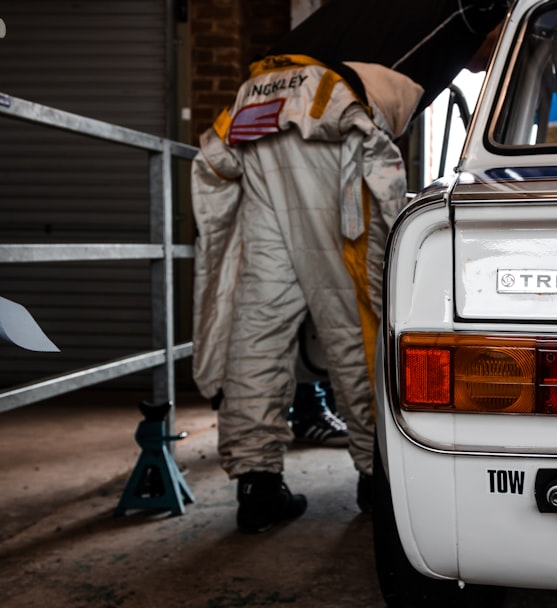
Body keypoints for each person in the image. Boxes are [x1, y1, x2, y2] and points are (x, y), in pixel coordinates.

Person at [191, 0, 509, 533]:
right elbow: (498, 48)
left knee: (261, 316)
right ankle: (378, 474)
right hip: (324, 115)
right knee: (356, 311)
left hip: (253, 108)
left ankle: (257, 483)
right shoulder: (476, 6)